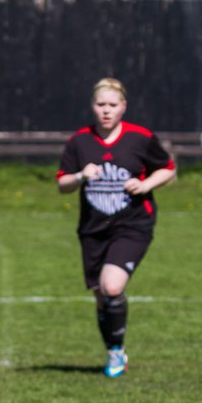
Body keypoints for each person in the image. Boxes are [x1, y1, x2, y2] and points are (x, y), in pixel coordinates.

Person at [58, 78, 176, 378]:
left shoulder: (140, 138)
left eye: (112, 105)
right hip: (93, 229)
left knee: (112, 285)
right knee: (101, 294)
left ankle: (115, 354)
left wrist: (146, 183)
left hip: (133, 224)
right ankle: (115, 349)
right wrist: (80, 176)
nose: (106, 111)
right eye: (101, 105)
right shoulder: (80, 142)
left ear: (123, 107)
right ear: (92, 107)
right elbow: (62, 185)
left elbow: (168, 168)